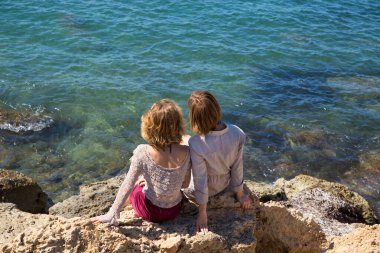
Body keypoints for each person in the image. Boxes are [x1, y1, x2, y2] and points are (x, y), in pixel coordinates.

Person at [90, 99, 191, 225]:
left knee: (137, 185)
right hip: (173, 210)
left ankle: (126, 206)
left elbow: (127, 184)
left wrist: (112, 213)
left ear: (151, 124)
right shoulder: (187, 151)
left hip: (149, 212)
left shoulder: (142, 151)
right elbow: (185, 184)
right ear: (178, 124)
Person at [185, 91, 251, 233]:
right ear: (216, 108)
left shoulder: (196, 143)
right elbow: (237, 167)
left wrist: (202, 212)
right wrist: (239, 194)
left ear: (195, 118)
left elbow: (200, 179)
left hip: (202, 191)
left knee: (183, 141)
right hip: (224, 185)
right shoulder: (237, 133)